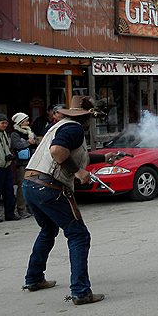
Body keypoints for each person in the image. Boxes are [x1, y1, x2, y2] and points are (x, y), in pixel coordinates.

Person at [22, 96, 118, 305]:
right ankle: (81, 292)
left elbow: (70, 154)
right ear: (86, 117)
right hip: (49, 187)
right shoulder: (74, 129)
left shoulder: (62, 127)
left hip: (31, 184)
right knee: (79, 235)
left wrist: (104, 157)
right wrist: (78, 172)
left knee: (48, 230)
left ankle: (34, 278)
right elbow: (58, 152)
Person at [10, 112, 37, 219]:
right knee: (22, 186)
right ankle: (21, 209)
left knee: (32, 186)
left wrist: (33, 142)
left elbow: (36, 142)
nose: (28, 123)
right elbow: (17, 145)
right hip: (21, 164)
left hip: (31, 162)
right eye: (26, 121)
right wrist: (29, 143)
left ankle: (31, 207)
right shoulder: (15, 134)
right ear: (20, 122)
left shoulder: (30, 132)